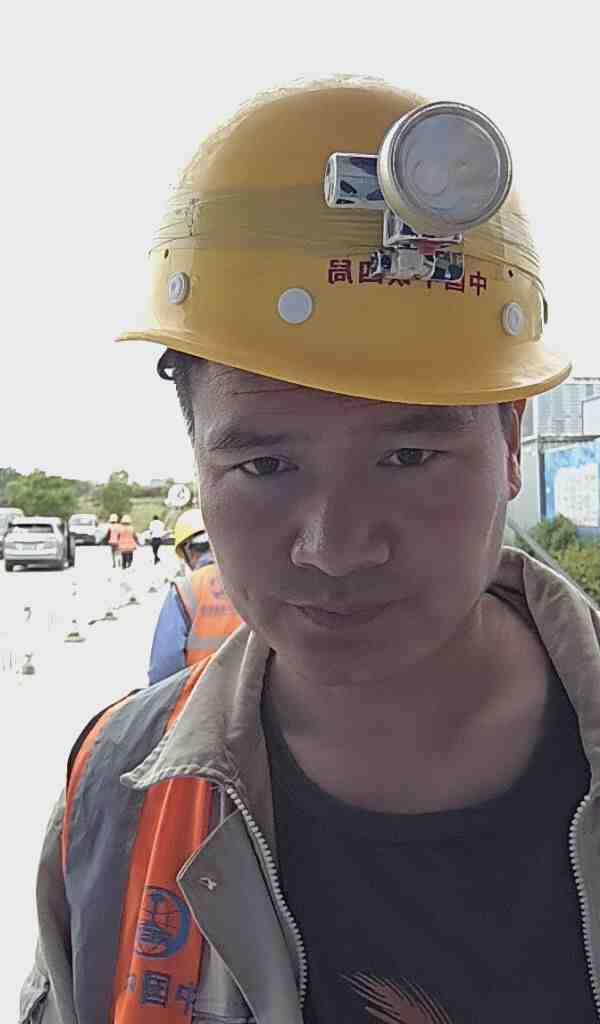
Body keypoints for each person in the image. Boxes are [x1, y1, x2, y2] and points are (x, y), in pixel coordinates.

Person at [21, 80, 599, 1024]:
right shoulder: (115, 792)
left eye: (408, 457)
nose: (334, 549)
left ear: (510, 443)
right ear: (198, 463)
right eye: (265, 466)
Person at [148, 507, 242, 684]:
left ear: (188, 551)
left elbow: (164, 669)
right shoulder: (250, 579)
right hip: (254, 691)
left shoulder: (183, 590)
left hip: (200, 695)